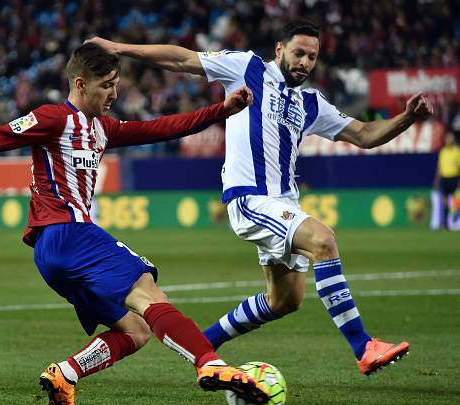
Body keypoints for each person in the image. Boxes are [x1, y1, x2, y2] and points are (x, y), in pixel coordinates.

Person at [0, 43, 268, 405]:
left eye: (116, 84)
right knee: (148, 292)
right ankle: (209, 362)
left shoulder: (102, 128)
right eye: (106, 85)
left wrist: (219, 111)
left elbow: (159, 128)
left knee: (136, 330)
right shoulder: (53, 118)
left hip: (53, 254)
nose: (114, 93)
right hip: (69, 233)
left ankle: (65, 374)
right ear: (80, 83)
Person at [87, 19, 434, 376]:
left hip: (284, 204)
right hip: (250, 199)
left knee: (285, 300)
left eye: (312, 57)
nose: (305, 62)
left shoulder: (312, 103)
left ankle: (204, 344)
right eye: (299, 53)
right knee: (323, 240)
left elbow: (364, 134)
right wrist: (121, 48)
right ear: (280, 50)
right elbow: (183, 59)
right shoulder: (247, 68)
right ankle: (364, 346)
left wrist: (407, 118)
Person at [433, 132, 460, 228]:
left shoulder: (457, 151)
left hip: (454, 178)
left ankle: (455, 222)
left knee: (455, 202)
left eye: (450, 139)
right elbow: (439, 168)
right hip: (444, 179)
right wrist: (436, 180)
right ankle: (446, 223)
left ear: (453, 140)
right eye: (447, 139)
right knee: (444, 202)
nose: (448, 141)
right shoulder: (443, 152)